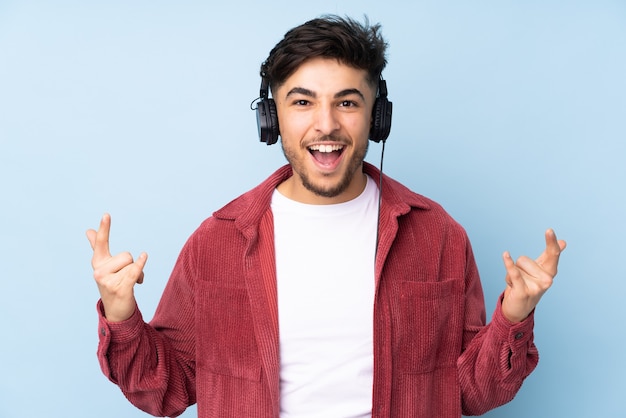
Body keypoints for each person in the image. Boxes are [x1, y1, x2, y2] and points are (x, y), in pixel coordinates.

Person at [87, 15, 566, 418]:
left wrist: (514, 315)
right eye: (302, 102)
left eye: (347, 102)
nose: (327, 124)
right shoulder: (217, 241)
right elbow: (164, 390)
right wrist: (121, 313)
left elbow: (471, 392)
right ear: (271, 117)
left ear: (377, 117)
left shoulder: (437, 235)